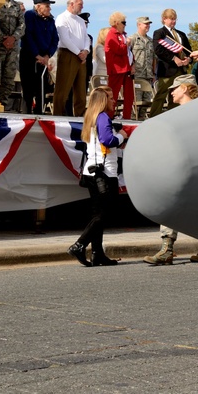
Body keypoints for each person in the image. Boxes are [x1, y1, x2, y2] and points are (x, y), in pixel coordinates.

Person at [143, 75, 198, 265]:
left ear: (184, 89)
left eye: (175, 88)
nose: (171, 92)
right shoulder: (182, 113)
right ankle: (171, 249)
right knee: (172, 205)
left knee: (195, 209)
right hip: (183, 167)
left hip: (195, 168)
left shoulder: (197, 112)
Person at [68, 85, 128, 267]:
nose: (113, 100)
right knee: (104, 213)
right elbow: (108, 140)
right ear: (102, 101)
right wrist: (122, 136)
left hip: (92, 171)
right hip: (103, 172)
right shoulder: (102, 117)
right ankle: (80, 245)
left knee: (98, 213)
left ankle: (97, 253)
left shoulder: (91, 117)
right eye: (110, 98)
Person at [20, 0, 59, 115]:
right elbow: (28, 36)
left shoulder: (51, 20)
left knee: (41, 89)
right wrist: (37, 55)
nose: (49, 8)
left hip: (44, 58)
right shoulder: (30, 16)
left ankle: (39, 115)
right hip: (29, 56)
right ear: (38, 6)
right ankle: (26, 116)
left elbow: (55, 39)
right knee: (28, 90)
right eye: (46, 5)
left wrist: (47, 55)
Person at [150, 8, 192, 117]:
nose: (174, 21)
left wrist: (188, 59)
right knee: (161, 95)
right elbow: (158, 50)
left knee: (176, 96)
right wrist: (174, 58)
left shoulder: (181, 34)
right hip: (167, 71)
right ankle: (153, 118)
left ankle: (173, 117)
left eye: (175, 19)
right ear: (164, 19)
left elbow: (189, 50)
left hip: (181, 70)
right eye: (171, 19)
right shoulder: (159, 33)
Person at [53, 0, 89, 116]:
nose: (82, 7)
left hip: (81, 56)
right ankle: (58, 115)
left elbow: (86, 37)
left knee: (81, 90)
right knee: (63, 88)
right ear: (71, 4)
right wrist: (79, 52)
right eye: (80, 4)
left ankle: (80, 114)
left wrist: (85, 51)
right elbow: (65, 38)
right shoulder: (62, 18)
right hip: (68, 54)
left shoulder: (80, 20)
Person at [105, 12, 135, 119]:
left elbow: (129, 52)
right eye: (123, 22)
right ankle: (109, 117)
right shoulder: (111, 34)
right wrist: (126, 43)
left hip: (126, 68)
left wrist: (133, 64)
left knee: (129, 95)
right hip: (117, 69)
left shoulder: (123, 35)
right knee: (113, 94)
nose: (125, 25)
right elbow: (119, 50)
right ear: (117, 23)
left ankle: (127, 117)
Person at [129, 16, 156, 120]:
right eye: (146, 24)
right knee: (136, 103)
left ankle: (141, 122)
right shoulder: (133, 39)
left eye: (149, 24)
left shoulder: (150, 41)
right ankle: (132, 123)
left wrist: (153, 73)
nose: (148, 26)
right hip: (137, 76)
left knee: (146, 103)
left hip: (148, 76)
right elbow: (128, 55)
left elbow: (154, 58)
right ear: (139, 25)